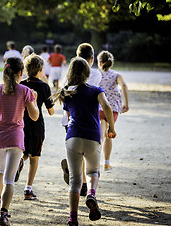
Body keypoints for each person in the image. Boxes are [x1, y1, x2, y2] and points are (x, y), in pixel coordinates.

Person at [50, 57, 116, 226]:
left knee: (74, 181)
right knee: (93, 171)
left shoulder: (67, 93)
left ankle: (73, 218)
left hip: (73, 137)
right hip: (92, 137)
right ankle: (92, 194)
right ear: (88, 73)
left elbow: (69, 116)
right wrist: (111, 128)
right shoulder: (96, 90)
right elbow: (107, 107)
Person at [0, 57, 39, 226]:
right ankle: (4, 214)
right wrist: (33, 99)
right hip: (16, 138)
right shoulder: (25, 90)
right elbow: (34, 117)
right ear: (21, 73)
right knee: (9, 179)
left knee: (0, 171)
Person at [61, 43, 102, 196]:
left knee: (76, 149)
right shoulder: (96, 74)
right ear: (92, 59)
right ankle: (87, 182)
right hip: (88, 118)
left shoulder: (69, 76)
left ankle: (82, 182)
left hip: (70, 119)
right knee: (88, 151)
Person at [14, 54, 55, 200]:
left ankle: (19, 161)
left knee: (23, 152)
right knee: (35, 157)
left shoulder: (21, 85)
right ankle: (28, 189)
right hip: (37, 125)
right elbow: (51, 111)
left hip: (21, 124)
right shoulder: (44, 87)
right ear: (40, 70)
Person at [97, 50, 129, 171]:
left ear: (99, 62)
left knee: (100, 135)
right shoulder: (116, 75)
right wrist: (126, 103)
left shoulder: (96, 74)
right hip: (113, 109)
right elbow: (124, 85)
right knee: (108, 135)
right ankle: (106, 163)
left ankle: (96, 162)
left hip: (99, 107)